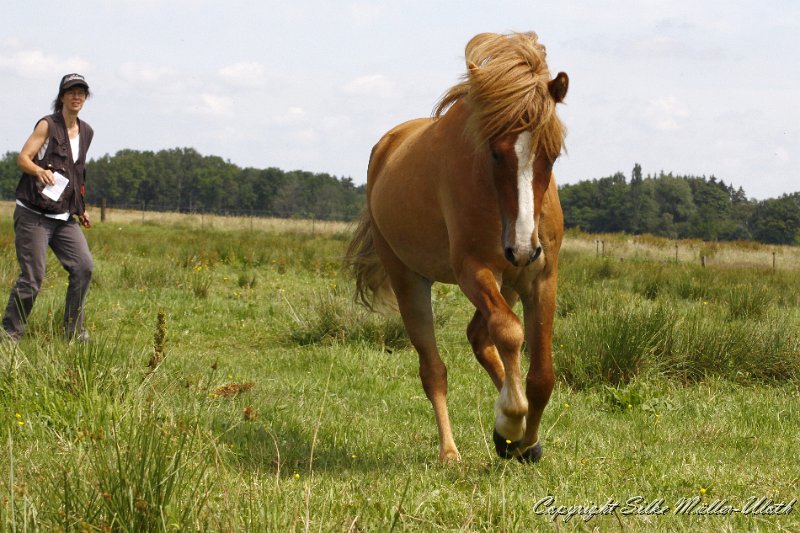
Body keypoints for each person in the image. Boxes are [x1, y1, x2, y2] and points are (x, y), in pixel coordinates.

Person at [3, 73, 95, 343]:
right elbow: (23, 159)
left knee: (84, 266)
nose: (76, 97)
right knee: (33, 278)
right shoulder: (47, 125)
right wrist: (37, 170)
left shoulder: (86, 131)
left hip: (63, 216)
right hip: (33, 213)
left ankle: (73, 331)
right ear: (62, 97)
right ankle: (10, 335)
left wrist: (80, 208)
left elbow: (77, 174)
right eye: (71, 92)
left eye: (81, 92)